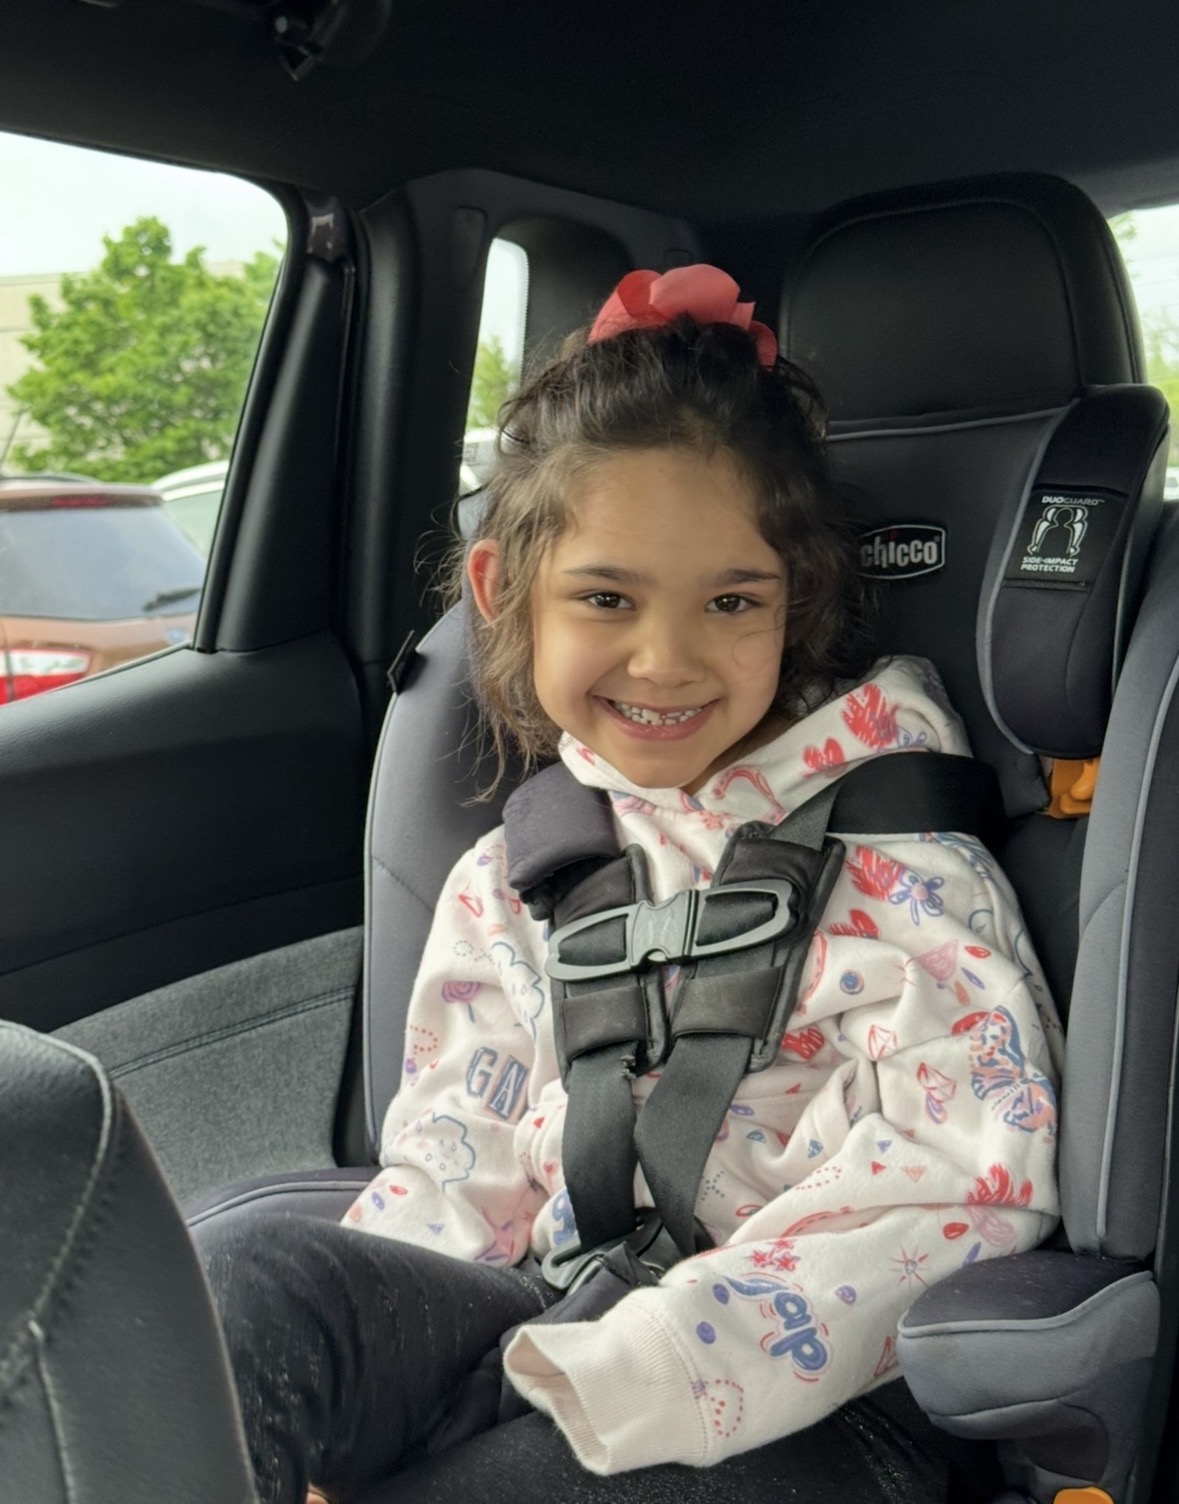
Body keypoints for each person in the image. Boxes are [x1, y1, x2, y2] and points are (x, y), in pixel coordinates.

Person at [195, 264, 1061, 1504]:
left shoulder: (898, 857)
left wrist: (648, 1356)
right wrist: (379, 1398)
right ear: (505, 593)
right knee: (247, 1291)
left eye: (731, 602)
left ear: (791, 602)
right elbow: (458, 1153)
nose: (668, 657)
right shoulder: (518, 872)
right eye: (607, 597)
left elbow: (959, 1172)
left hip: (813, 1401)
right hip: (549, 1309)